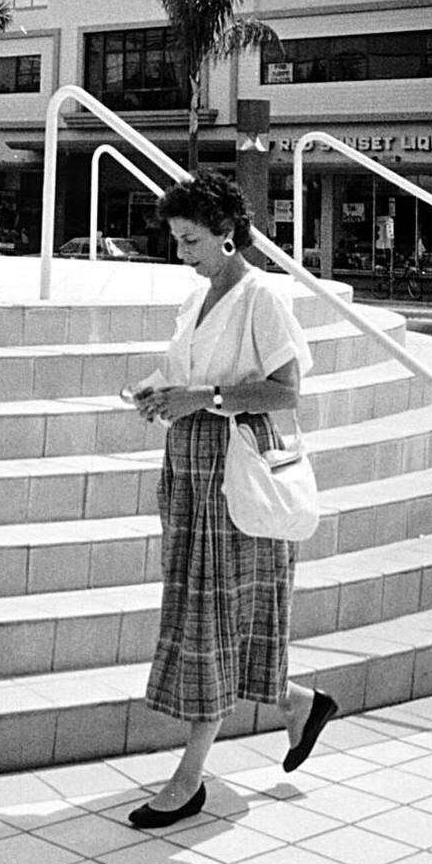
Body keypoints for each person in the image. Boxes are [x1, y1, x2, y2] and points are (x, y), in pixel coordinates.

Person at [126, 172, 337, 829]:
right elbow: (193, 378)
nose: (182, 253)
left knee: (210, 622)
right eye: (178, 240)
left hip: (233, 478)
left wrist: (205, 400)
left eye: (191, 240)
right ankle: (299, 704)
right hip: (192, 475)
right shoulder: (199, 300)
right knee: (212, 616)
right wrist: (161, 393)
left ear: (226, 235)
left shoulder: (260, 299)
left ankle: (189, 778)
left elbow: (286, 392)